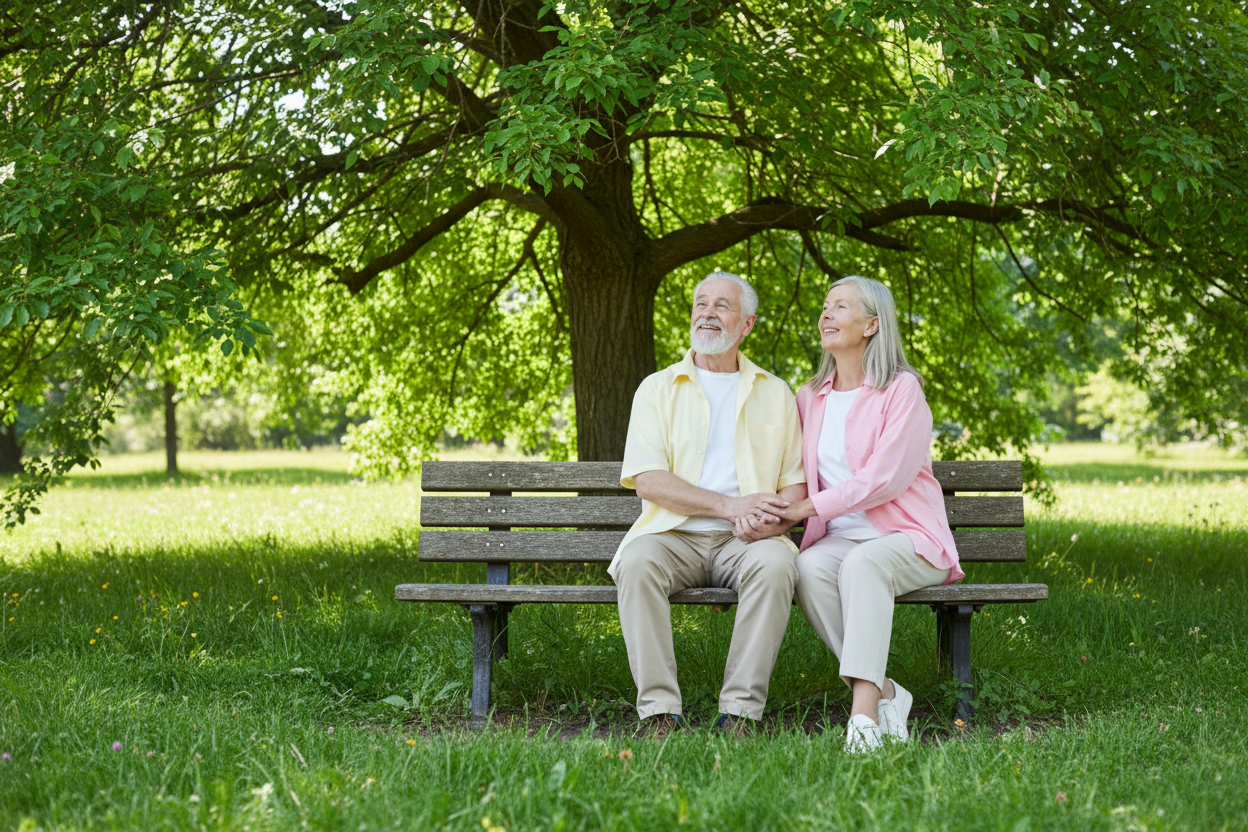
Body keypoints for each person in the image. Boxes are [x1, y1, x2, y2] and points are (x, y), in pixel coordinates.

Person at [739, 275, 962, 752]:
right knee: (808, 567)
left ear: (872, 325)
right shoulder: (809, 396)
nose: (826, 314)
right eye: (824, 306)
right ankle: (886, 692)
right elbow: (790, 466)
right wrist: (768, 511)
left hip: (910, 537)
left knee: (864, 565)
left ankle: (862, 719)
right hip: (840, 538)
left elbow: (886, 477)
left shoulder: (902, 390)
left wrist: (805, 507)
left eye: (840, 307)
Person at [611, 271, 806, 737]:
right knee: (635, 563)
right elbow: (648, 481)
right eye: (701, 304)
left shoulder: (776, 392)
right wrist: (729, 506)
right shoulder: (657, 388)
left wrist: (768, 523)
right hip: (671, 535)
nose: (707, 313)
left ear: (747, 324)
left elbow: (795, 488)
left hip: (748, 540)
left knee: (777, 566)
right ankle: (660, 712)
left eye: (722, 305)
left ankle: (739, 713)